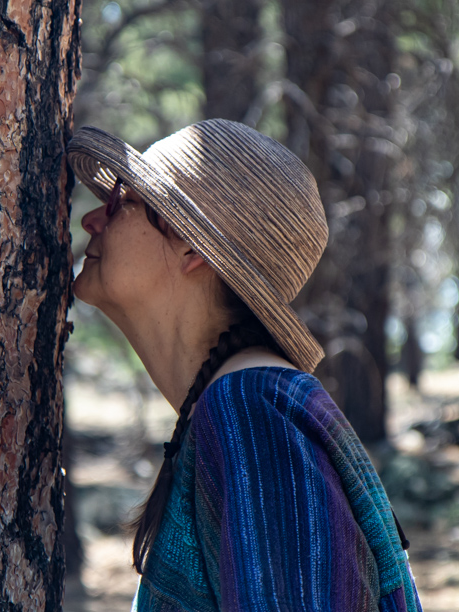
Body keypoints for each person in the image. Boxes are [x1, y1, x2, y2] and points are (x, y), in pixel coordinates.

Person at [66, 119, 422, 611]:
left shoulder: (251, 415)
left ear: (193, 247)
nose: (92, 220)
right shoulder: (241, 407)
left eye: (123, 202)